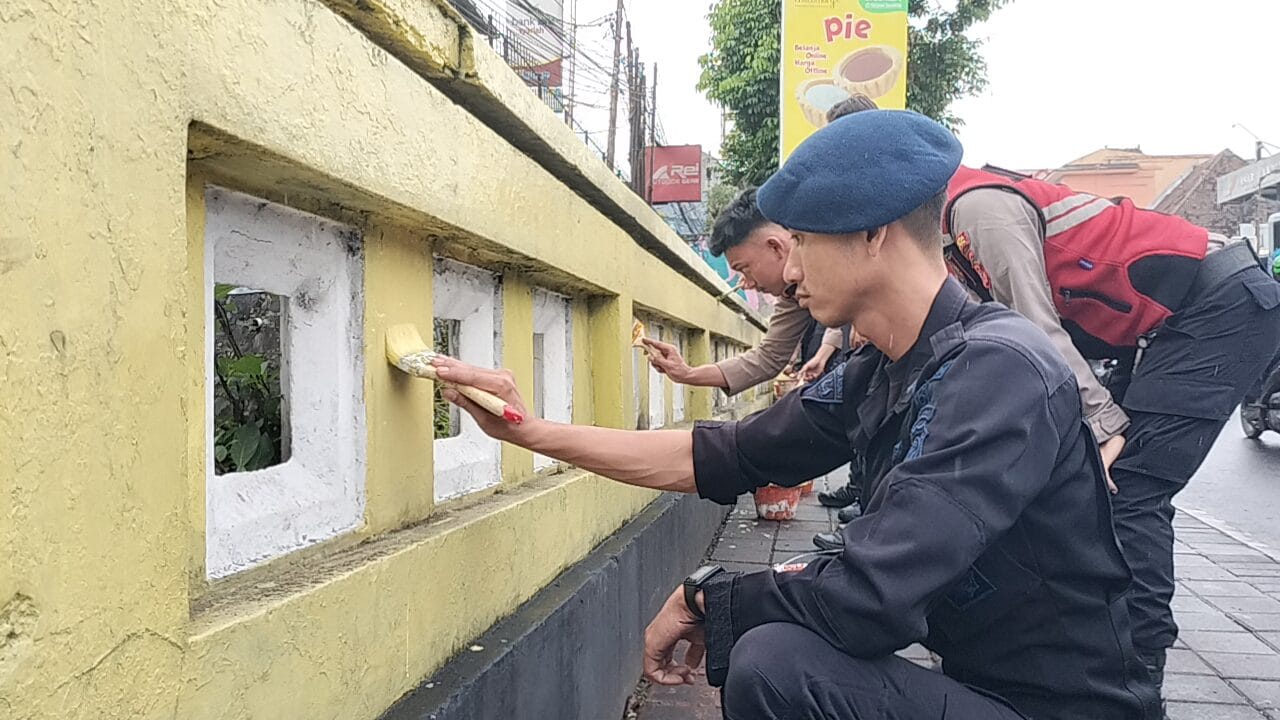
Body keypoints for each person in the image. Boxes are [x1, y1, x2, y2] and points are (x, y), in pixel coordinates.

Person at [432, 110, 1160, 720]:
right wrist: (529, 430)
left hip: (1054, 710)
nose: (789, 270)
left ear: (873, 233)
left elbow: (872, 596)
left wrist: (706, 596)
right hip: (978, 686)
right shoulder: (883, 369)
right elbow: (720, 455)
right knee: (774, 649)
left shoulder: (997, 370)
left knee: (776, 665)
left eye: (803, 240)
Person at [813, 96, 1280, 698]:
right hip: (1154, 327)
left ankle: (1134, 677)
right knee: (1081, 486)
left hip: (1217, 303)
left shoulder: (976, 209)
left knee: (1128, 489)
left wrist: (1102, 425)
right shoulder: (936, 232)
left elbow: (1034, 329)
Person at [642, 188, 862, 510]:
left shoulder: (847, 234)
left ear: (775, 246)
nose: (747, 282)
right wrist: (687, 374)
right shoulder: (792, 293)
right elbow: (769, 357)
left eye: (745, 268)